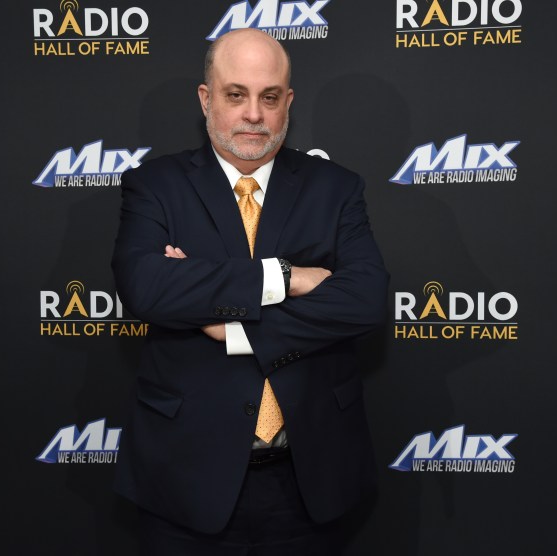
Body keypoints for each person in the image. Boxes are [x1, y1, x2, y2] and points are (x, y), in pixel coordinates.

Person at [112, 28, 389, 555]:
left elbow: (365, 298)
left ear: (287, 102)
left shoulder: (336, 188)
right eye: (236, 94)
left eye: (269, 97)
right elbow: (146, 287)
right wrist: (289, 278)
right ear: (206, 98)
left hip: (310, 479)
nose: (253, 115)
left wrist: (230, 324)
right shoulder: (155, 186)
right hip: (185, 478)